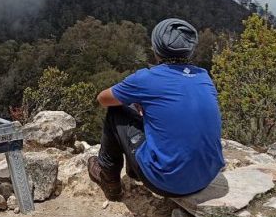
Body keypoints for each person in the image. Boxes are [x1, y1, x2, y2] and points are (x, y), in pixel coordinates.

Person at [88, 18, 224, 200]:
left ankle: (109, 181)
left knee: (116, 111)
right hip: (206, 177)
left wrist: (137, 100)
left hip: (167, 182)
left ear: (156, 48)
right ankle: (135, 171)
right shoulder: (203, 77)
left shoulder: (147, 79)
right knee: (149, 114)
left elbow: (103, 99)